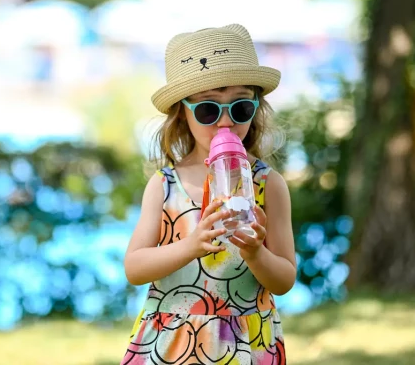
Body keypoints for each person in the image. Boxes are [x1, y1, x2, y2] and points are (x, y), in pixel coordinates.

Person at [121, 24, 295, 365]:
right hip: (172, 344)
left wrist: (256, 253)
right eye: (208, 110)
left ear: (256, 108)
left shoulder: (268, 185)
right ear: (182, 114)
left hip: (247, 341)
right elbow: (135, 267)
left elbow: (285, 279)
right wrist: (191, 245)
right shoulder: (164, 185)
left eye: (240, 107)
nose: (225, 123)